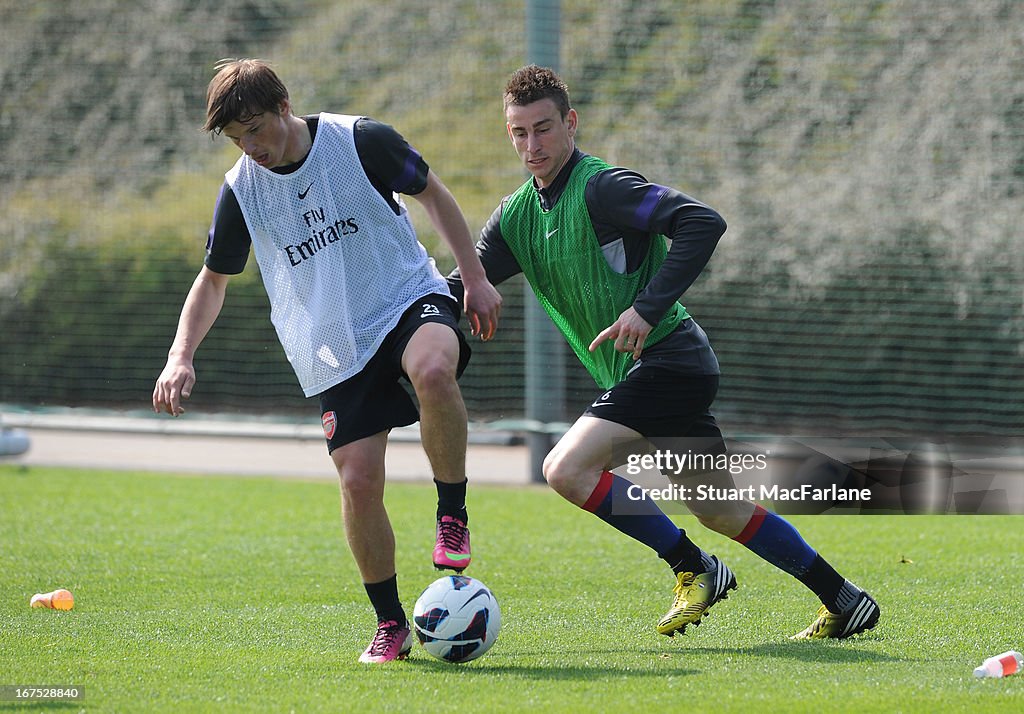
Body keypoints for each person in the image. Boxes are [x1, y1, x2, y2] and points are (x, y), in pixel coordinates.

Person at [449, 65, 878, 641]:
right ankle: (844, 599)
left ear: (570, 123)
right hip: (664, 372)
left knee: (566, 469)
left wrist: (646, 309)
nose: (533, 145)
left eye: (544, 128)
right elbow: (462, 282)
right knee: (720, 511)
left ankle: (692, 566)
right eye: (519, 133)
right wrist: (414, 319)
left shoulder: (602, 187)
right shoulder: (517, 217)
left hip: (669, 361)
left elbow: (702, 221)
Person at [152, 59, 502, 663]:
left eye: (255, 130)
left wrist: (472, 277)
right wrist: (179, 355)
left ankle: (453, 515)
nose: (250, 148)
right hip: (333, 342)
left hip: (405, 296)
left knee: (434, 369)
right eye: (238, 139)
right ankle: (391, 623)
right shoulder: (240, 191)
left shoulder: (361, 140)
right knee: (359, 482)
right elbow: (212, 281)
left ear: (284, 106)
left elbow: (433, 195)